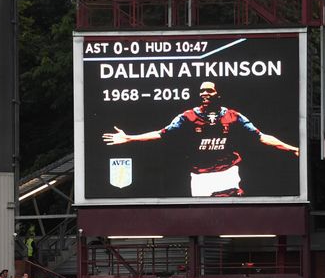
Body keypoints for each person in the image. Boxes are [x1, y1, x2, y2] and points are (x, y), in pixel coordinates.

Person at [102, 81, 299, 197]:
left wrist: (292, 148)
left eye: (209, 90)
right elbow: (161, 133)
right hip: (200, 177)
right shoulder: (187, 116)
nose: (205, 93)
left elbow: (261, 137)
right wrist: (129, 138)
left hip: (227, 172)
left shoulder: (233, 116)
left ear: (217, 93)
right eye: (202, 91)